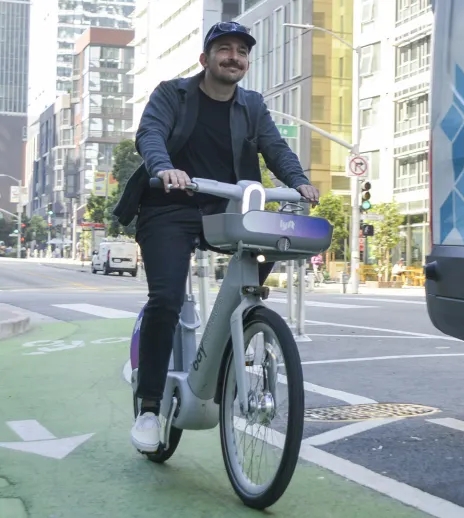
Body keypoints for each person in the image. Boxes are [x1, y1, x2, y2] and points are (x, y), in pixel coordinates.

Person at [112, 21, 320, 453]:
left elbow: (275, 147)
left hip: (227, 209)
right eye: (224, 49)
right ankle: (150, 407)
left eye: (241, 52)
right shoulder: (173, 93)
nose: (233, 57)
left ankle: (235, 336)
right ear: (205, 59)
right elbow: (150, 134)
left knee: (261, 264)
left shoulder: (252, 105)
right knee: (166, 299)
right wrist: (163, 168)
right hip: (170, 206)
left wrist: (299, 181)